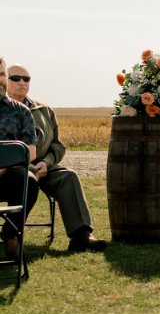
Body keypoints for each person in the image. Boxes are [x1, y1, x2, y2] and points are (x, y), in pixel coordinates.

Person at [6, 65, 107, 252]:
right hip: (10, 169)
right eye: (16, 78)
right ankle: (12, 234)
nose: (22, 82)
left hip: (43, 165)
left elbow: (57, 145)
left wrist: (46, 162)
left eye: (26, 79)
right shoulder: (5, 110)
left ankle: (81, 236)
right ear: (4, 79)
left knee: (69, 176)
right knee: (24, 180)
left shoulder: (43, 110)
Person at [0, 56, 39, 263]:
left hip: (6, 177)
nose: (0, 79)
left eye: (1, 74)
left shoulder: (21, 111)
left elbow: (30, 153)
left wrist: (3, 166)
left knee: (29, 181)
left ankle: (10, 233)